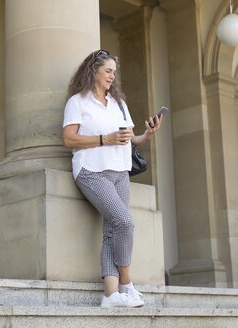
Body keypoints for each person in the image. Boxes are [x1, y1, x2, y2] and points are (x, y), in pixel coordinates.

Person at [62, 49, 163, 308]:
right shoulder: (78, 102)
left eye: (114, 72)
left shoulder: (118, 103)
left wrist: (147, 134)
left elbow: (130, 140)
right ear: (93, 70)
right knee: (125, 222)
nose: (112, 76)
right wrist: (103, 139)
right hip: (92, 171)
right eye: (108, 70)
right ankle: (127, 285)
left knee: (112, 230)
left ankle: (110, 295)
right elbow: (68, 139)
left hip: (120, 171)